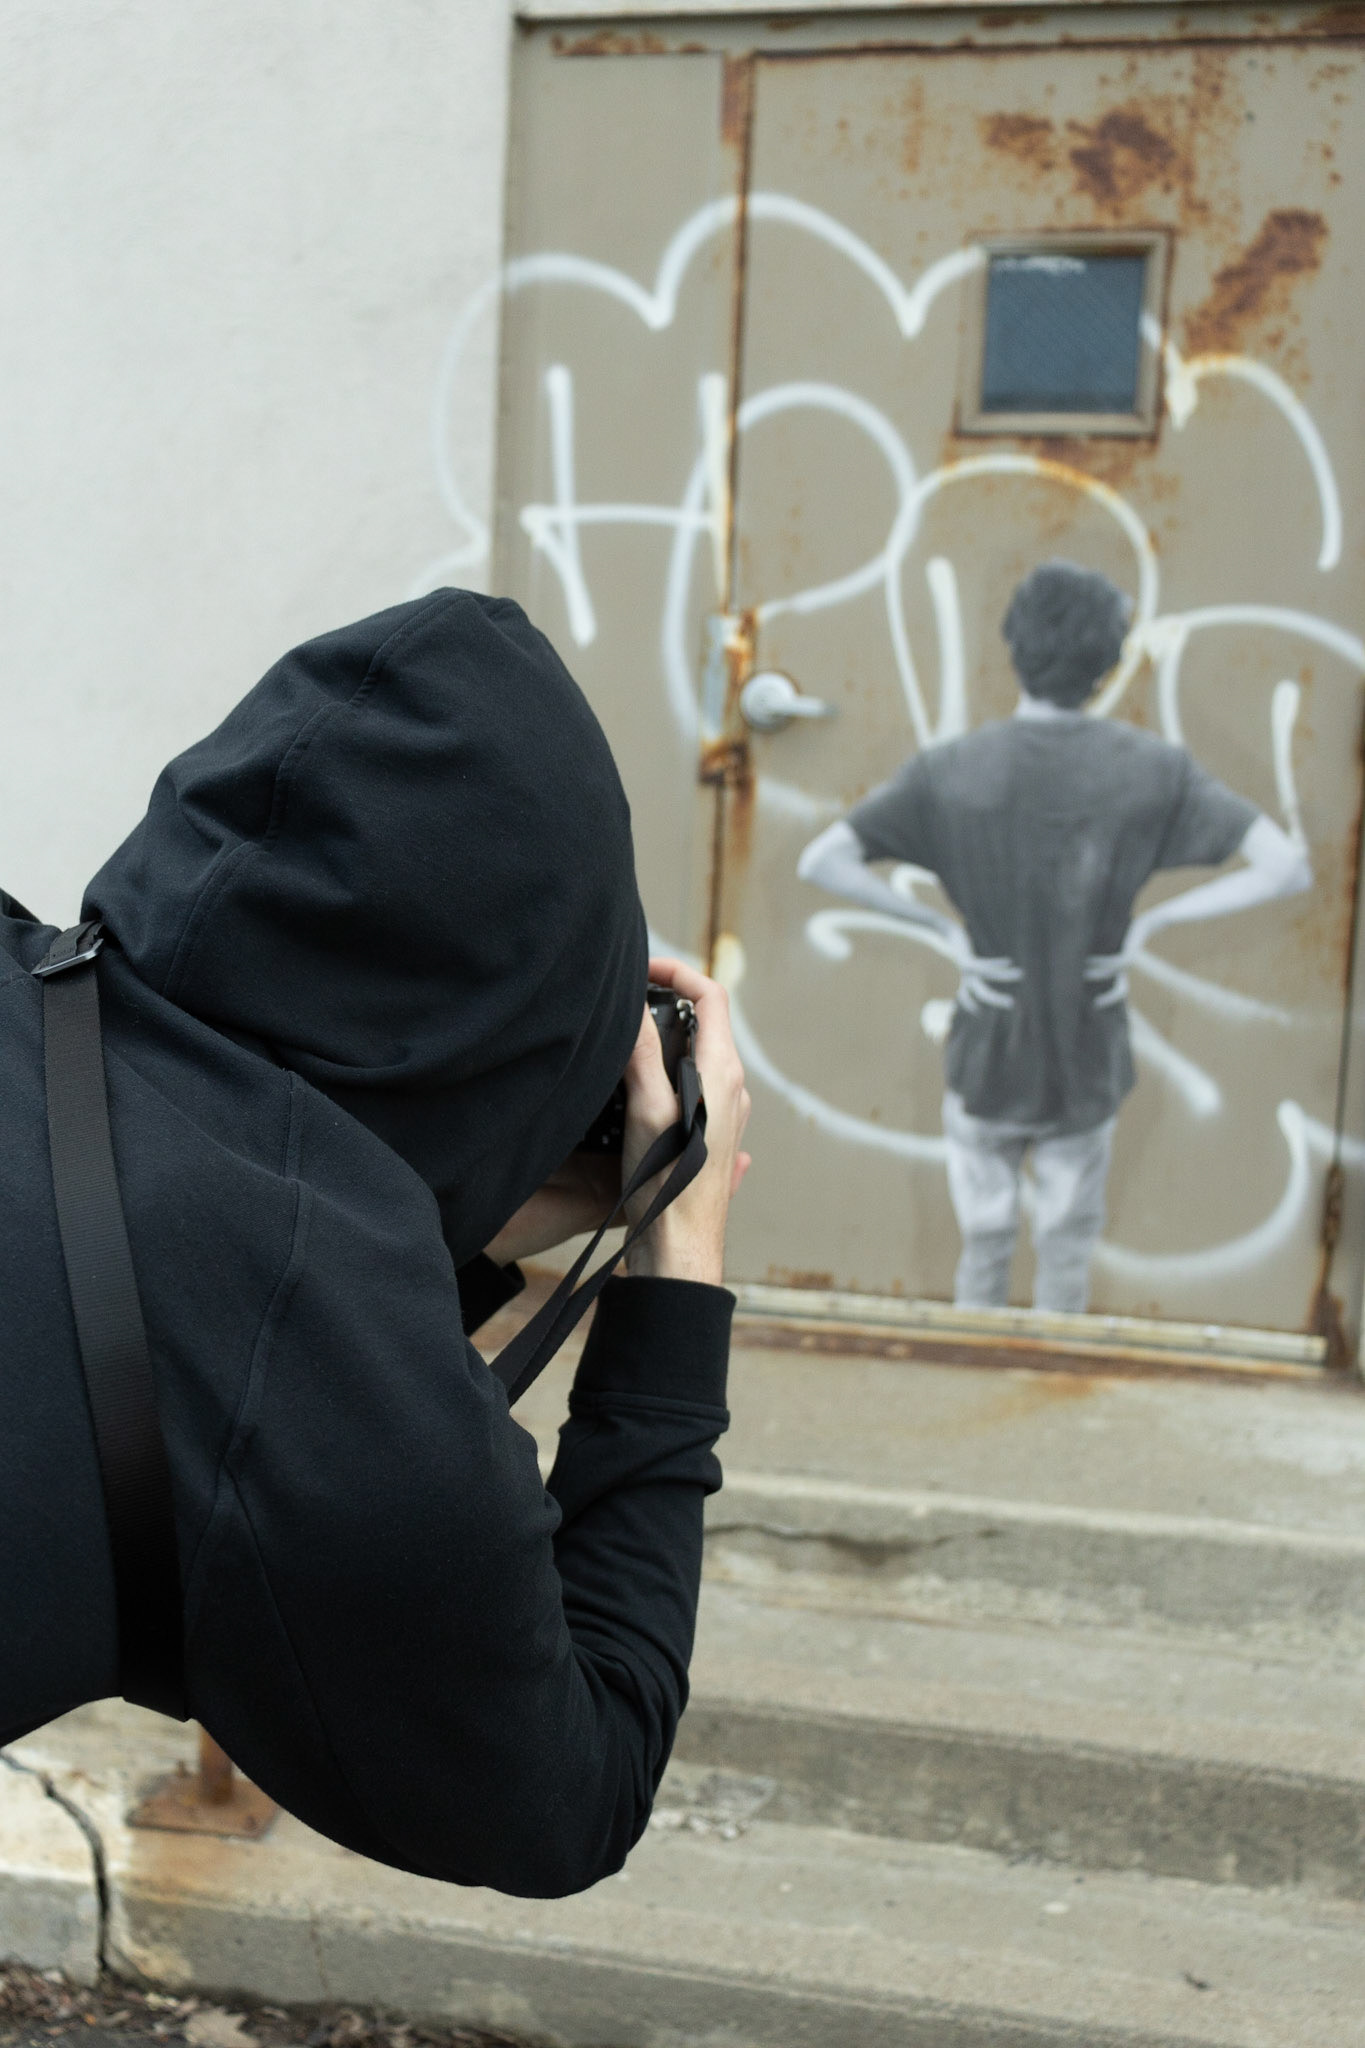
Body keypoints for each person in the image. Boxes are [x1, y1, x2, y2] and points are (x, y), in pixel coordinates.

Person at [0, 588, 751, 1897]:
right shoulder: (363, 1440)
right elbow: (568, 1798)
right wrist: (670, 1274)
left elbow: (218, 1226)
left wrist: (464, 1203)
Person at [797, 558, 1311, 1315]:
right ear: (1107, 663)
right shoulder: (1152, 769)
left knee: (985, 1234)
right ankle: (1049, 1372)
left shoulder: (953, 770)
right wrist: (1156, 921)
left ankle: (976, 1376)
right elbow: (1285, 865)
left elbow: (823, 858)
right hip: (1087, 1046)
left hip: (987, 1045)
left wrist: (944, 930)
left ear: (1014, 646)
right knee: (1068, 1235)